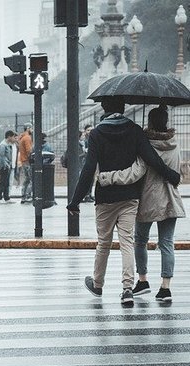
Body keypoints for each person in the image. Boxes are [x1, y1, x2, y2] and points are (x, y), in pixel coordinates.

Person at [66, 97, 181, 306]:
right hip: (130, 197)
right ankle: (127, 289)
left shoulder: (97, 133)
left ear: (104, 108)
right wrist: (171, 175)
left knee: (104, 243)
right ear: (124, 107)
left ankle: (98, 284)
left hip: (105, 197)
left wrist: (75, 201)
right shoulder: (135, 130)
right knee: (127, 242)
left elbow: (88, 169)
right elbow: (151, 158)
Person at [97, 106, 186, 302]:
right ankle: (165, 287)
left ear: (150, 122)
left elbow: (138, 171)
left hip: (148, 198)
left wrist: (108, 177)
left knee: (139, 241)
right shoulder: (175, 143)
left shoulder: (146, 144)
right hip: (171, 198)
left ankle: (143, 280)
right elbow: (177, 170)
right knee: (167, 244)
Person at [0, 130, 16, 204]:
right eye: (13, 136)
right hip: (4, 167)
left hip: (8, 166)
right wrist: (5, 165)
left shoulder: (7, 144)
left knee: (7, 183)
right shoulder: (3, 145)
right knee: (3, 182)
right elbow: (2, 157)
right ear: (9, 137)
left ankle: (6, 197)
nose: (14, 138)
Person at [19, 123, 33, 204]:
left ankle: (23, 196)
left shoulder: (22, 137)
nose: (32, 130)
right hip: (28, 162)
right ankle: (28, 196)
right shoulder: (27, 138)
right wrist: (32, 159)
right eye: (31, 128)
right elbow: (29, 151)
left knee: (26, 180)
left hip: (23, 161)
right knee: (31, 180)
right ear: (28, 128)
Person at [83, 124, 95, 202]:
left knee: (92, 179)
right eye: (88, 130)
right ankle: (87, 195)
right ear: (85, 131)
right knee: (87, 179)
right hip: (86, 161)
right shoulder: (84, 141)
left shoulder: (93, 138)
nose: (90, 132)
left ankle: (90, 194)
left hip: (92, 161)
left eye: (91, 130)